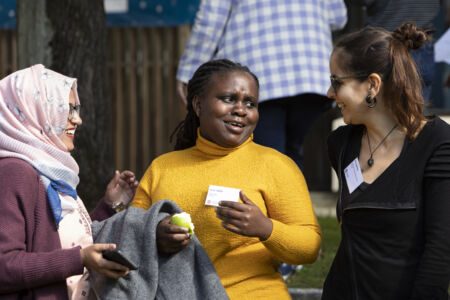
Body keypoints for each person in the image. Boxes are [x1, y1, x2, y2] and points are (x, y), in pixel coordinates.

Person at [132, 59, 321, 299]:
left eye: (250, 103)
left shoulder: (276, 165)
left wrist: (265, 228)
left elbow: (309, 247)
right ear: (198, 105)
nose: (241, 110)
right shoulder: (162, 168)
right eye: (229, 99)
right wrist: (156, 237)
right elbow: (131, 237)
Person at [322, 23, 450, 299]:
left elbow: (441, 251)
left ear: (372, 84)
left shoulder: (438, 143)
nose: (330, 93)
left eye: (337, 82)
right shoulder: (341, 144)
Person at [0, 64, 139, 299]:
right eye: (68, 109)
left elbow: (62, 243)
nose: (78, 120)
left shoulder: (48, 171)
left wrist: (109, 206)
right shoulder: (14, 173)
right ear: (35, 109)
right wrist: (80, 259)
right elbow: (5, 266)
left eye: (77, 109)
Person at [176, 0, 347, 169]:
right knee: (290, 153)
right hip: (310, 74)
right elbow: (338, 17)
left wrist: (190, 72)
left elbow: (210, 21)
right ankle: (289, 194)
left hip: (259, 74)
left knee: (264, 158)